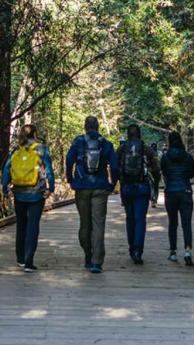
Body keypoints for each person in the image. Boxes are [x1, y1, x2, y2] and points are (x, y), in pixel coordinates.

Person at [65, 115, 119, 273]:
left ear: (85, 127)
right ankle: (97, 262)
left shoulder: (78, 141)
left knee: (85, 223)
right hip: (100, 187)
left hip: (81, 186)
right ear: (98, 126)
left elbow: (69, 160)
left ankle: (88, 255)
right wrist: (112, 184)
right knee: (98, 224)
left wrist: (71, 179)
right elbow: (115, 167)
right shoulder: (106, 144)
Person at [0, 123, 55, 272]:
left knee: (21, 225)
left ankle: (20, 258)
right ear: (35, 134)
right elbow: (49, 169)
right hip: (37, 194)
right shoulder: (41, 149)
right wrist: (51, 188)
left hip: (19, 193)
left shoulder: (16, 150)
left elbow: (7, 170)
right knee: (33, 226)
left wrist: (5, 188)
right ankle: (29, 261)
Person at [116, 123, 162, 264]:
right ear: (140, 134)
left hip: (127, 188)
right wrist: (154, 186)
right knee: (140, 219)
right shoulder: (146, 149)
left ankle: (131, 249)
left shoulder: (122, 149)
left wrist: (117, 182)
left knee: (130, 218)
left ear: (128, 134)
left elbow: (115, 167)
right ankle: (138, 250)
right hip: (142, 187)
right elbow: (156, 169)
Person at [158, 130, 194, 265]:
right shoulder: (188, 157)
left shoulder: (165, 157)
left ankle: (173, 252)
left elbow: (164, 172)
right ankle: (187, 250)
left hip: (170, 192)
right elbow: (191, 174)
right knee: (186, 223)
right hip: (185, 191)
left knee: (173, 223)